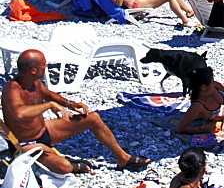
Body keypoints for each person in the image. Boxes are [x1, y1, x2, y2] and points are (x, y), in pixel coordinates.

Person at [1, 49, 150, 173]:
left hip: (44, 131)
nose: (46, 67)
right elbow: (19, 113)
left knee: (93, 118)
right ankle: (73, 166)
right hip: (26, 143)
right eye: (43, 65)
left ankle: (122, 158)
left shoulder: (35, 82)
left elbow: (47, 94)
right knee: (64, 168)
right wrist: (49, 105)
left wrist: (69, 103)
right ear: (33, 70)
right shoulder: (12, 89)